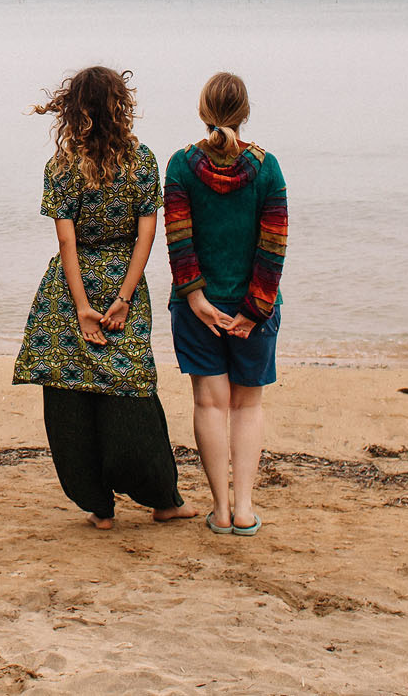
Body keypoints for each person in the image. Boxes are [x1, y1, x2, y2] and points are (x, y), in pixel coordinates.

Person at [12, 65, 194, 530]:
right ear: (121, 105)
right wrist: (124, 298)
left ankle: (100, 506)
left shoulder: (61, 165)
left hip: (69, 289)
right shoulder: (143, 159)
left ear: (74, 109)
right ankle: (163, 500)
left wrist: (80, 307)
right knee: (130, 388)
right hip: (120, 283)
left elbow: (67, 243)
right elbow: (145, 235)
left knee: (70, 395)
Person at [163, 70, 287, 536]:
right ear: (246, 113)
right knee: (247, 408)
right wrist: (254, 311)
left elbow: (179, 238)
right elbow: (273, 244)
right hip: (253, 308)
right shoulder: (267, 167)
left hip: (198, 310)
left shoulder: (180, 165)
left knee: (210, 406)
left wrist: (195, 297)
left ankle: (218, 509)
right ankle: (245, 510)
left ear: (202, 111)